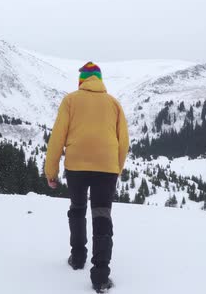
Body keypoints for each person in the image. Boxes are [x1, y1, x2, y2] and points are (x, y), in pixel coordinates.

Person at [45, 62, 129, 293]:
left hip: (76, 166)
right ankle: (100, 277)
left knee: (78, 208)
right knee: (102, 215)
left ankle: (78, 257)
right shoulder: (114, 104)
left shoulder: (71, 100)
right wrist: (116, 168)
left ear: (81, 80)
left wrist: (51, 171)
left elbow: (57, 138)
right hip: (106, 168)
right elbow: (124, 143)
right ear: (100, 80)